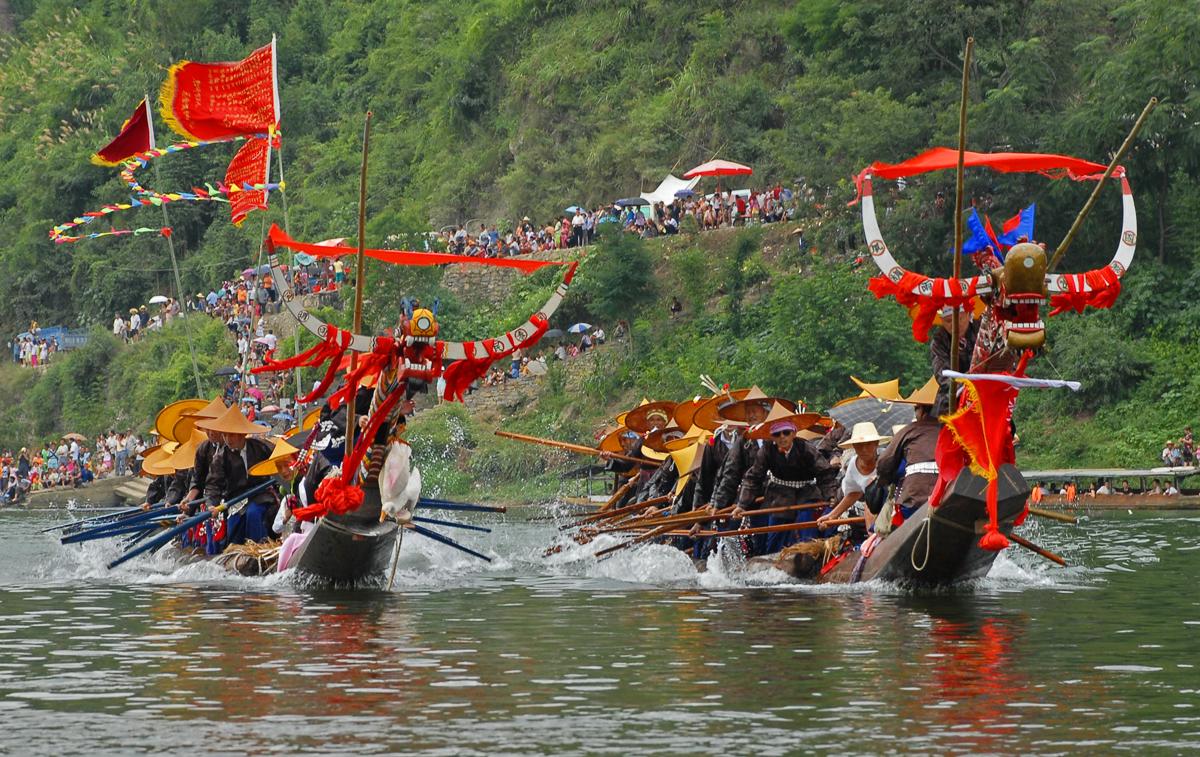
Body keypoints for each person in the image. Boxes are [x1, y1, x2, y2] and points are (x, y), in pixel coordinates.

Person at [733, 403, 835, 556]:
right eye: (777, 434)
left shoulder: (806, 448)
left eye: (786, 433)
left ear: (793, 433)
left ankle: (809, 559)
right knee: (774, 539)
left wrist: (831, 495)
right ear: (772, 437)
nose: (782, 437)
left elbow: (825, 473)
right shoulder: (766, 450)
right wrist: (742, 504)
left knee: (807, 531)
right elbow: (754, 477)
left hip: (806, 494)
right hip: (779, 496)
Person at [196, 405, 277, 546]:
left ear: (242, 434)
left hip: (261, 494)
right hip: (236, 500)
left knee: (253, 513)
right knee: (233, 531)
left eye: (231, 435)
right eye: (225, 435)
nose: (228, 439)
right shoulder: (220, 457)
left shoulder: (261, 447)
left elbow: (279, 460)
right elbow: (213, 485)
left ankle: (259, 547)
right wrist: (212, 505)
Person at [871, 377, 940, 524]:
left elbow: (884, 462)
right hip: (949, 498)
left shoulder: (909, 430)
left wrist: (884, 481)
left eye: (916, 409)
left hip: (915, 499)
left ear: (922, 410)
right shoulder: (954, 431)